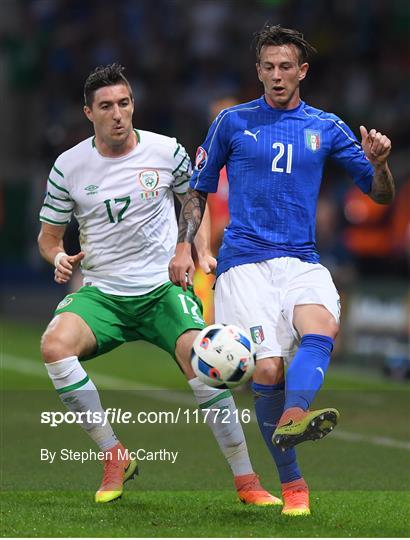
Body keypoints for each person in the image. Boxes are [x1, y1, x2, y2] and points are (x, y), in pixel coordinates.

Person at [169, 25, 394, 516]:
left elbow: (380, 194)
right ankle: (294, 485)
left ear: (302, 72)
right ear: (258, 71)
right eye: (268, 67)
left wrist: (379, 165)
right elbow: (198, 190)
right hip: (243, 264)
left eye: (285, 67)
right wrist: (185, 247)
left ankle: (295, 414)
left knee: (324, 325)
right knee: (267, 369)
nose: (276, 75)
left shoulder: (327, 127)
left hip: (301, 259)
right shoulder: (231, 122)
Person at [38, 63, 280, 506]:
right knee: (54, 347)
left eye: (124, 104)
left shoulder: (166, 151)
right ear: (88, 112)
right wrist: (57, 257)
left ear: (133, 105)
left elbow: (195, 200)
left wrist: (194, 250)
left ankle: (247, 482)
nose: (118, 114)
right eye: (106, 106)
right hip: (103, 294)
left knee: (207, 362)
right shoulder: (67, 167)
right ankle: (115, 456)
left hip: (162, 288)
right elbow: (48, 236)